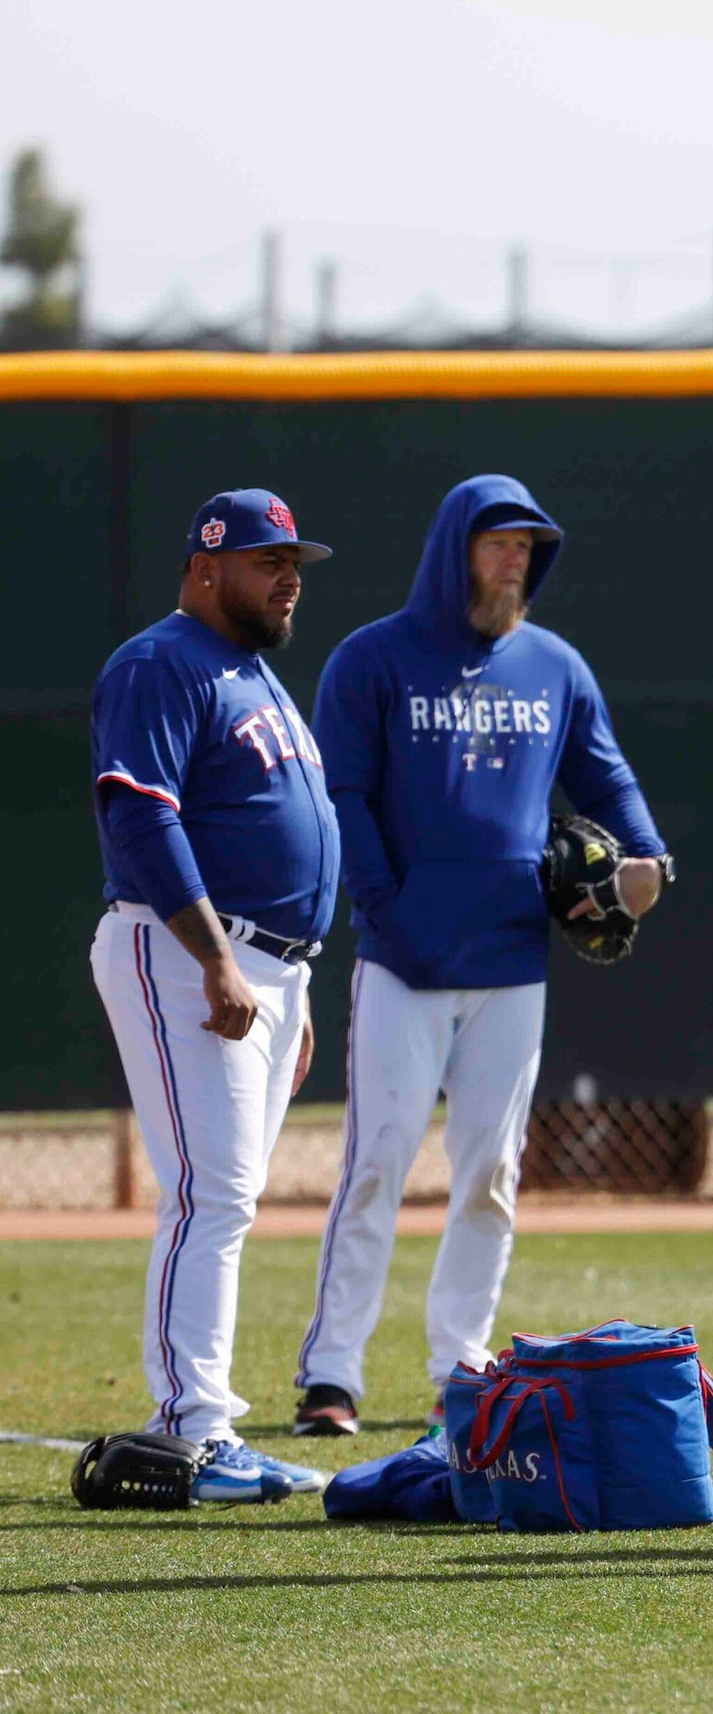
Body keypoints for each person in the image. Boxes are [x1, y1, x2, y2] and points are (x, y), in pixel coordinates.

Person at [292, 476, 669, 1433]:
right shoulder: (373, 658)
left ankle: (461, 1365)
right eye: (499, 542)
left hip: (511, 958)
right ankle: (331, 1376)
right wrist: (384, 904)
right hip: (403, 961)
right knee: (374, 1165)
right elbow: (342, 797)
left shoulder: (553, 666)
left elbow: (607, 778)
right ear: (453, 545)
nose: (516, 560)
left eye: (529, 548)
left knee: (492, 1173)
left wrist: (649, 855)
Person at [88, 491, 336, 1502]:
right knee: (210, 1193)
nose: (289, 577)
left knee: (225, 1198)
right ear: (206, 567)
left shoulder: (256, 677)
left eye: (295, 562)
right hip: (186, 949)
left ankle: (201, 1423)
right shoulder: (162, 663)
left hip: (266, 963)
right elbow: (140, 817)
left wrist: (291, 977)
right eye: (268, 559)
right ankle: (190, 1429)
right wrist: (220, 960)